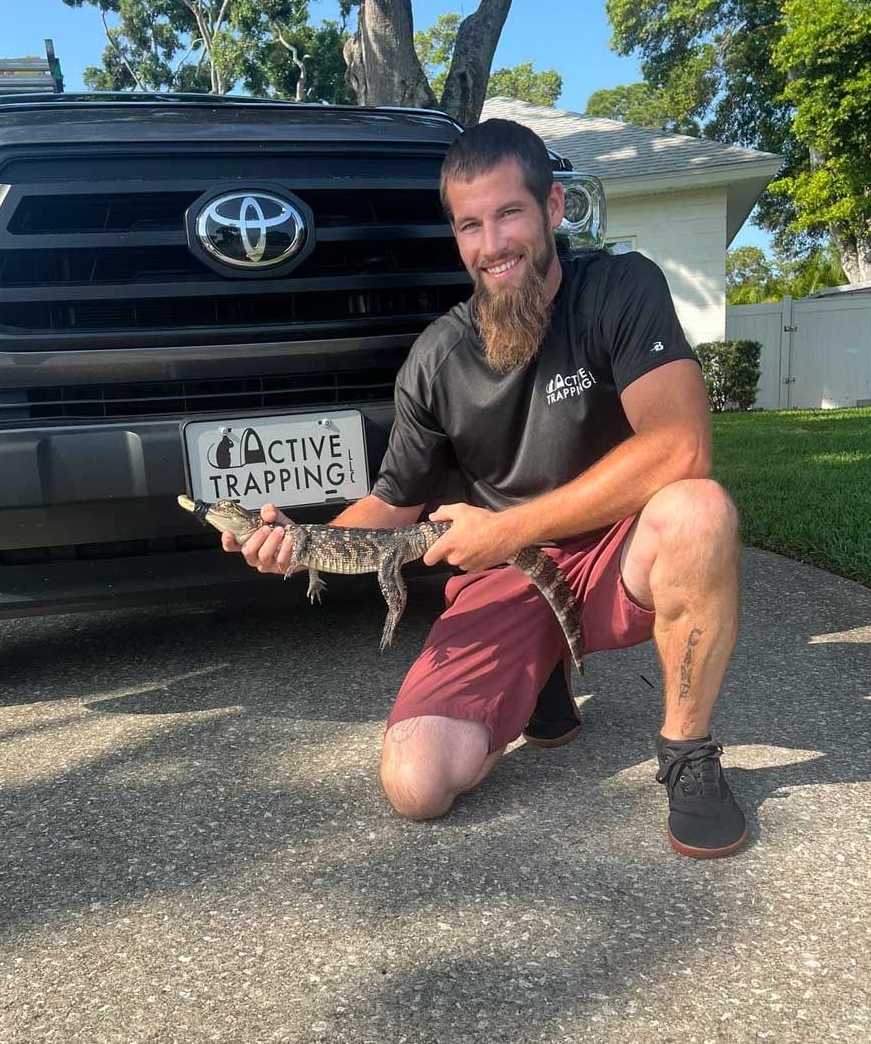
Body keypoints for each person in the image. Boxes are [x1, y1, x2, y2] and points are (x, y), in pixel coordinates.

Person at [221, 118, 747, 860]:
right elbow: (393, 505)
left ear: (553, 209)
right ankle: (538, 679)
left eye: (509, 214)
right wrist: (299, 544)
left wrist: (508, 527)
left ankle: (687, 752)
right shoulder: (437, 356)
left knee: (700, 509)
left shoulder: (620, 289)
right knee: (417, 783)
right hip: (503, 577)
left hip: (617, 550)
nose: (492, 244)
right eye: (471, 225)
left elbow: (682, 446)